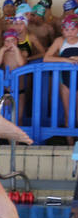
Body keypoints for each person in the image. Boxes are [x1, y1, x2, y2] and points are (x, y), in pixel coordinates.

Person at [43, 14, 78, 144]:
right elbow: (46, 58)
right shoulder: (59, 41)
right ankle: (70, 144)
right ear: (62, 30)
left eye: (73, 29)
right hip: (65, 82)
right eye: (66, 30)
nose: (69, 32)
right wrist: (65, 60)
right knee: (69, 113)